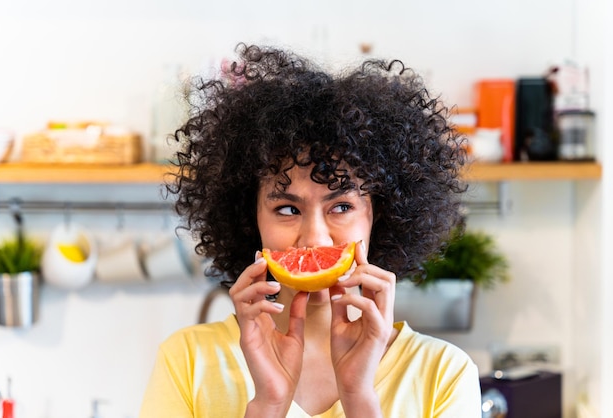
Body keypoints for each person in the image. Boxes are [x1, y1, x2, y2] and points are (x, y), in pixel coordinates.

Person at [139, 43, 481, 418]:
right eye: (287, 208)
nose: (315, 237)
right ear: (248, 216)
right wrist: (268, 404)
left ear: (377, 216)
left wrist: (359, 396)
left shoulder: (444, 373)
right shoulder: (187, 361)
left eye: (341, 207)